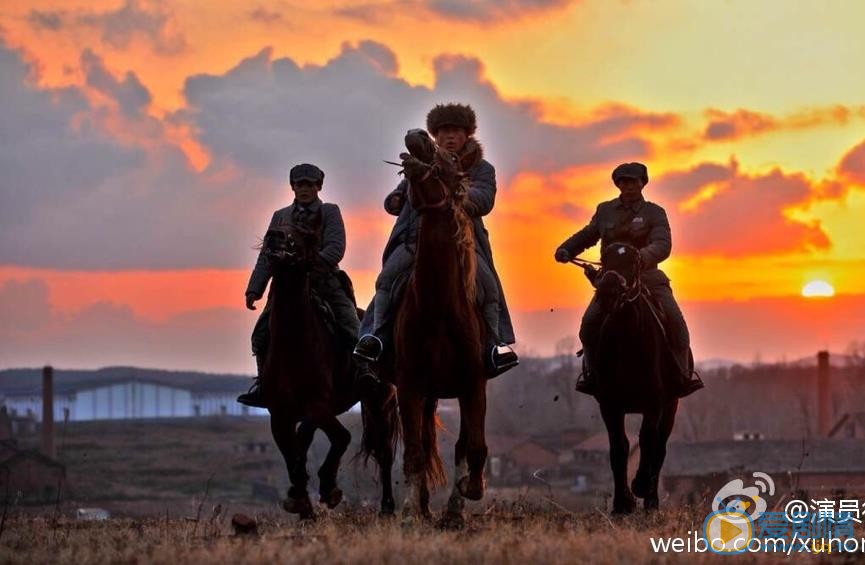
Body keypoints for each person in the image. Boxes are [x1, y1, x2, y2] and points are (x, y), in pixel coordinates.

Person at [353, 103, 518, 376]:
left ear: (467, 135)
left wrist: (452, 188)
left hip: (463, 243)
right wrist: (396, 197)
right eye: (443, 132)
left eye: (455, 131)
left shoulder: (482, 168)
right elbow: (396, 199)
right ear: (435, 136)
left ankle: (494, 346)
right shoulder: (422, 165)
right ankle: (375, 337)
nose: (449, 137)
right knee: (386, 281)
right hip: (416, 241)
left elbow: (485, 200)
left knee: (488, 287)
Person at [554, 162, 703, 397]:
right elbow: (589, 234)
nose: (629, 186)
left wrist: (639, 258)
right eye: (624, 181)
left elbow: (663, 245)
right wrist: (567, 249)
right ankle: (591, 377)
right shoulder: (605, 211)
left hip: (648, 277)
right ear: (617, 184)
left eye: (633, 181)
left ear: (643, 183)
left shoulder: (655, 212)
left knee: (676, 322)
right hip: (611, 281)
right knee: (589, 323)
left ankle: (683, 376)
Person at [237, 163, 364, 407]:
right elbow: (267, 254)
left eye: (309, 184)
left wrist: (311, 270)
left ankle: (366, 374)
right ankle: (264, 383)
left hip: (324, 281)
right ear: (292, 187)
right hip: (286, 287)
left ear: (318, 186)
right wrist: (255, 288)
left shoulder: (329, 212)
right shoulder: (280, 216)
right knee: (260, 334)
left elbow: (336, 248)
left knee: (351, 325)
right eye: (299, 184)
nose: (304, 189)